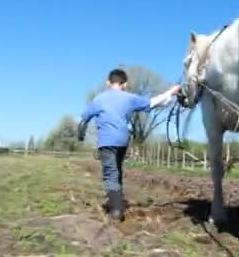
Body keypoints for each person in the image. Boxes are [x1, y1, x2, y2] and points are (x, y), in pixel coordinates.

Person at [77, 68, 181, 222]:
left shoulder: (99, 99)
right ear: (125, 84)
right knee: (117, 169)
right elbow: (152, 103)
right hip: (122, 141)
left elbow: (84, 117)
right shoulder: (130, 98)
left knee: (110, 172)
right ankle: (117, 200)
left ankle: (116, 209)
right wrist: (171, 92)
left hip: (106, 141)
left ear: (108, 82)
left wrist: (81, 132)